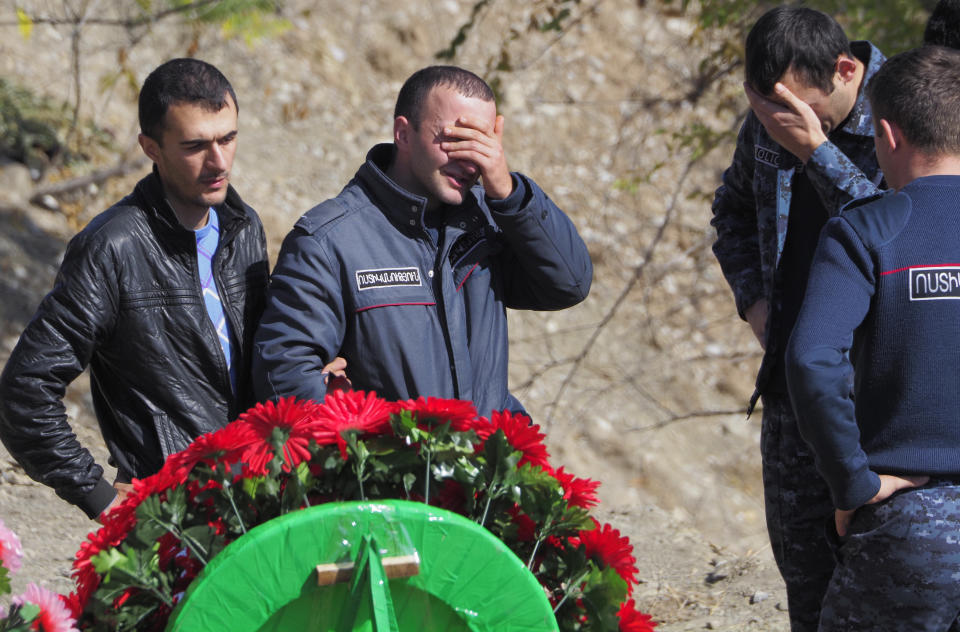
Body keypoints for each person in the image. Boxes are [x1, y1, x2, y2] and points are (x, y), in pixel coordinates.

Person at [0, 59, 269, 520]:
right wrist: (102, 500)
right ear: (151, 147)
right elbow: (23, 393)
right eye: (195, 146)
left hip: (259, 500)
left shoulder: (243, 229)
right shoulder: (112, 247)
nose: (219, 161)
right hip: (173, 519)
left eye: (227, 138)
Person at [253, 65, 592, 416]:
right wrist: (364, 453)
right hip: (391, 468)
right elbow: (285, 375)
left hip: (482, 466)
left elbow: (569, 284)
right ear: (403, 133)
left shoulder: (489, 222)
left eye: (482, 142)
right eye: (455, 140)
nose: (470, 160)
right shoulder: (328, 241)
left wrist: (508, 192)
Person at [709, 7, 885, 630]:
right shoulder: (765, 121)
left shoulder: (909, 109)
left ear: (844, 70)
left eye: (789, 111)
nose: (774, 126)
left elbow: (903, 234)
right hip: (791, 394)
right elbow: (729, 212)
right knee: (806, 588)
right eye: (763, 112)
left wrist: (817, 152)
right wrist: (755, 301)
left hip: (876, 402)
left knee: (884, 589)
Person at [786, 45, 960, 630]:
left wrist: (852, 484)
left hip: (910, 528)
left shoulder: (867, 230)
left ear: (886, 134)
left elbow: (812, 360)